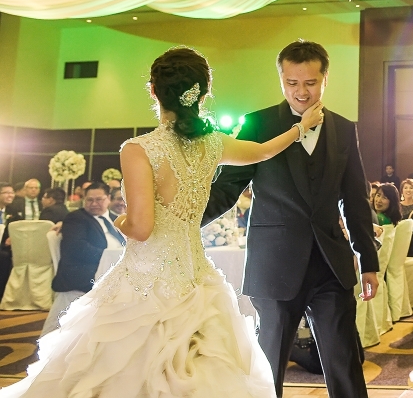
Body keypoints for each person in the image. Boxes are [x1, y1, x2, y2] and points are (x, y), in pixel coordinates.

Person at [0, 46, 307, 398]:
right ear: (202, 93)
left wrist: (119, 220)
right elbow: (263, 150)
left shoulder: (139, 149)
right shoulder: (213, 144)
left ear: (153, 90)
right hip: (196, 279)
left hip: (145, 281)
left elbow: (141, 228)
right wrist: (300, 128)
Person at [206, 39, 378, 398]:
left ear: (325, 79)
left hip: (331, 266)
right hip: (275, 265)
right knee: (268, 368)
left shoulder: (344, 129)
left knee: (345, 362)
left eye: (311, 83)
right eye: (292, 83)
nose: (301, 92)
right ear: (281, 80)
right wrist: (182, 219)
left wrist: (368, 261)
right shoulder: (258, 124)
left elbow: (356, 201)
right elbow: (228, 187)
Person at [40, 182, 125, 337]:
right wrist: (110, 257)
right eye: (89, 200)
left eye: (99, 199)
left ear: (108, 199)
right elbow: (78, 248)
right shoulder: (76, 218)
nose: (94, 204)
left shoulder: (116, 219)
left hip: (115, 268)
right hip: (86, 271)